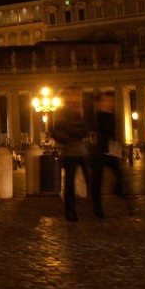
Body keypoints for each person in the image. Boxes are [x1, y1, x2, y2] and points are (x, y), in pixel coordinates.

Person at [89, 91, 134, 217]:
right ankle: (98, 210)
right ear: (100, 103)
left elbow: (113, 134)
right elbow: (93, 133)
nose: (110, 103)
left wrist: (118, 148)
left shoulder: (112, 116)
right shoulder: (95, 117)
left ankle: (120, 192)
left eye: (111, 101)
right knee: (97, 182)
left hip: (110, 152)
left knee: (121, 176)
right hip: (98, 152)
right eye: (107, 101)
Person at [50, 87, 89, 221]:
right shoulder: (63, 112)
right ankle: (70, 211)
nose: (78, 98)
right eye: (75, 95)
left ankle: (95, 206)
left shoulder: (79, 111)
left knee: (90, 179)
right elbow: (55, 132)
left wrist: (82, 133)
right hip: (70, 152)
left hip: (81, 150)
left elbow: (86, 128)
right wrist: (70, 139)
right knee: (70, 183)